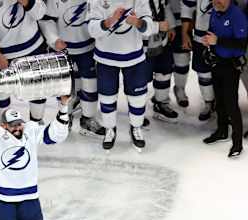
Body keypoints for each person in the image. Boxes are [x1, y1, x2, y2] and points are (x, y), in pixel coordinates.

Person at [86, 0, 154, 152]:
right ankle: (110, 129)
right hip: (105, 58)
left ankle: (136, 127)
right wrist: (110, 21)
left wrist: (137, 22)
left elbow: (149, 27)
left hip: (134, 56)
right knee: (107, 97)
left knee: (137, 99)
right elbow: (91, 29)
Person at [0, 0, 48, 123]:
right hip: (3, 54)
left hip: (33, 47)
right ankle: (6, 125)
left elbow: (41, 14)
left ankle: (36, 123)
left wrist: (27, 2)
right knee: (1, 93)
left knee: (37, 89)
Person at [40, 0, 105, 137]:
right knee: (64, 87)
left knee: (90, 85)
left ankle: (88, 119)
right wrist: (54, 39)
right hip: (63, 50)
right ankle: (64, 118)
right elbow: (47, 20)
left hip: (88, 48)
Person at [201, 0, 247, 157]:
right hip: (217, 62)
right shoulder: (215, 11)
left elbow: (241, 44)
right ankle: (222, 131)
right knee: (219, 100)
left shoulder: (237, 15)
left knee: (231, 103)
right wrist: (209, 43)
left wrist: (218, 41)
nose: (216, 1)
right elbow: (212, 32)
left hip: (230, 66)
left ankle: (237, 143)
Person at [181, 0, 216, 121]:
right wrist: (185, 34)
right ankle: (209, 102)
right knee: (204, 73)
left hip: (224, 37)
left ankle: (224, 106)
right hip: (201, 38)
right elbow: (187, 7)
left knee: (225, 74)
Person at [145, 0, 179, 123]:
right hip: (142, 44)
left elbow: (165, 7)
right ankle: (137, 111)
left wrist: (171, 26)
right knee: (140, 80)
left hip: (161, 41)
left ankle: (161, 103)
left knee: (164, 73)